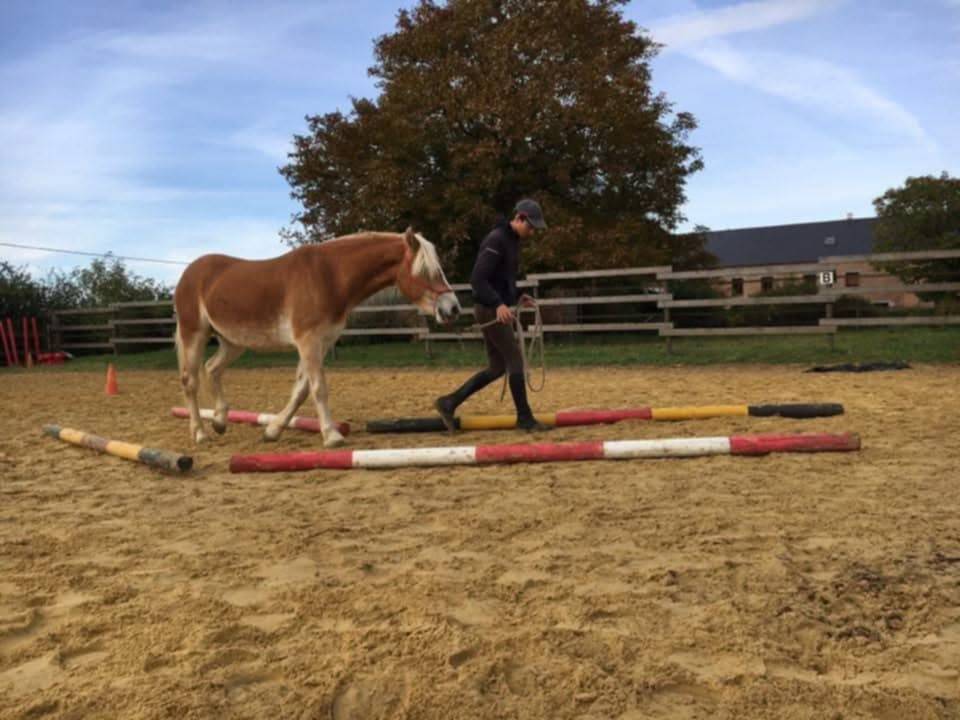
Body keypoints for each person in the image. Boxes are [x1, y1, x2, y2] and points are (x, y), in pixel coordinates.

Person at [434, 198, 551, 432]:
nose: (532, 232)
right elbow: (477, 279)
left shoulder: (511, 241)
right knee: (515, 360)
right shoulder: (496, 240)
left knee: (497, 367)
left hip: (495, 308)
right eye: (531, 227)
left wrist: (518, 296)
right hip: (490, 309)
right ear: (519, 218)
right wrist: (498, 304)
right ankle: (525, 419)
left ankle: (449, 402)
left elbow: (503, 280)